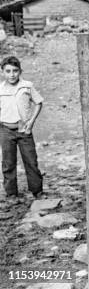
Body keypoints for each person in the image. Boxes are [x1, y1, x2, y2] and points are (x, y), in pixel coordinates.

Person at [0, 56, 44, 203]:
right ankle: (11, 194)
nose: (12, 74)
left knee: (31, 161)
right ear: (2, 72)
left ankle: (37, 192)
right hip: (6, 130)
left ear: (20, 71)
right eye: (8, 71)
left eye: (15, 71)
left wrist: (31, 122)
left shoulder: (26, 86)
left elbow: (38, 102)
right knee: (8, 163)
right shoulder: (0, 88)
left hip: (24, 131)